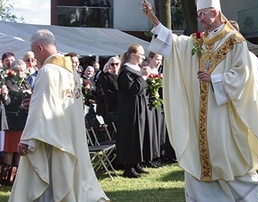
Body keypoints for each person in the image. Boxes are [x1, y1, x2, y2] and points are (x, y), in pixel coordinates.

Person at [142, 0, 258, 201]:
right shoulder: (200, 40)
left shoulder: (234, 41)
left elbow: (243, 73)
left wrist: (215, 80)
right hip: (201, 113)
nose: (199, 19)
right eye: (198, 15)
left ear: (215, 12)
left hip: (222, 110)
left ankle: (255, 191)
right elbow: (175, 44)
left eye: (203, 15)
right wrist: (153, 17)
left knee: (223, 155)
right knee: (199, 157)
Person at [9, 29, 109, 201]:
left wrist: (27, 139)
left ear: (40, 47)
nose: (34, 58)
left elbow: (42, 106)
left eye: (34, 52)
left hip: (53, 135)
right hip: (72, 133)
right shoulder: (72, 72)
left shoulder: (48, 71)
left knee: (52, 173)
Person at [116, 44, 153, 178]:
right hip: (129, 110)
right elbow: (132, 89)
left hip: (139, 107)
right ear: (132, 55)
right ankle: (128, 167)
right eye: (141, 54)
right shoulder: (125, 71)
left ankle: (137, 163)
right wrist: (143, 77)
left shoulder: (136, 69)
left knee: (139, 134)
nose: (143, 57)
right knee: (130, 136)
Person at [0, 60, 31, 186]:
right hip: (11, 119)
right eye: (18, 70)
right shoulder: (7, 81)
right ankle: (6, 178)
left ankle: (17, 179)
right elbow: (6, 103)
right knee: (10, 150)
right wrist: (5, 96)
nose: (20, 73)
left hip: (24, 118)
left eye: (22, 70)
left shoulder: (26, 82)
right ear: (12, 71)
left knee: (19, 149)